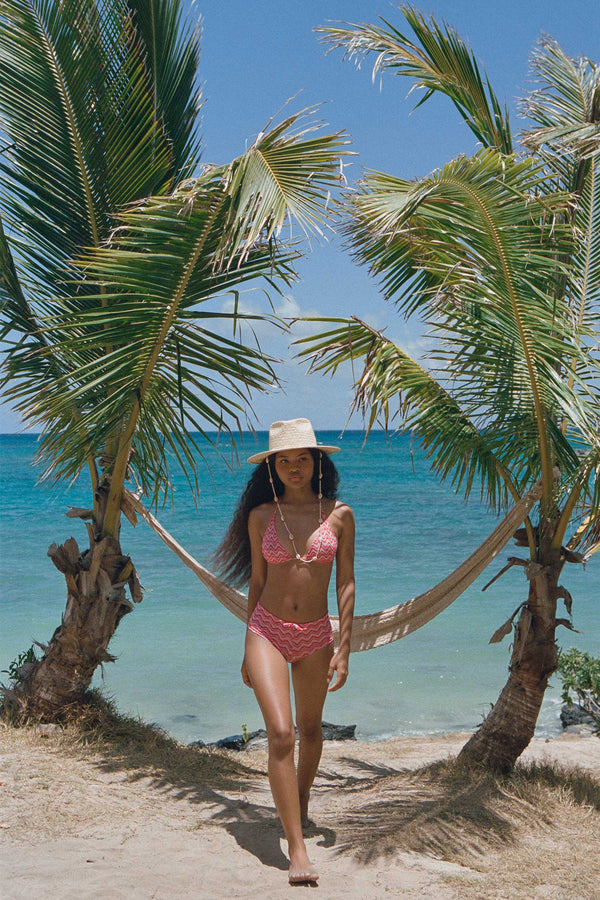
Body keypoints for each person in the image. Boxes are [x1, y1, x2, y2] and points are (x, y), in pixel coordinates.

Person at [215, 418, 355, 885]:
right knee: (281, 734)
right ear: (272, 467)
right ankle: (296, 850)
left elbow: (346, 581)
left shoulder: (339, 514)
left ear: (317, 462)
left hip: (316, 634)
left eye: (301, 458)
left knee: (311, 728)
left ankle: (301, 800)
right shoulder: (260, 517)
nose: (293, 467)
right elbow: (256, 582)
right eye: (283, 460)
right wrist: (246, 648)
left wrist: (345, 645)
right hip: (266, 630)